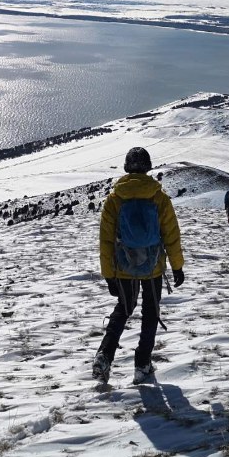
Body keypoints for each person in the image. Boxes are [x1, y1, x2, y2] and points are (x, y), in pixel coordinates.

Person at [93, 147, 184, 385]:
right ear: (147, 167)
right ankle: (142, 363)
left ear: (126, 167)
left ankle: (104, 355)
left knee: (124, 309)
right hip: (153, 266)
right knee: (151, 313)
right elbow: (171, 234)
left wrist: (108, 275)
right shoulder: (158, 197)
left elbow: (106, 240)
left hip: (124, 268)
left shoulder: (115, 199)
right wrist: (177, 266)